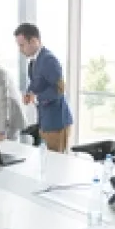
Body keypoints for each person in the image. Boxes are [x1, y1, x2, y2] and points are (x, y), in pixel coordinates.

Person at [14, 23, 72, 152]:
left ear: (34, 41)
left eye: (22, 45)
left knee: (56, 164)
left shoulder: (48, 59)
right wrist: (29, 93)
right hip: (45, 121)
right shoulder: (35, 61)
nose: (20, 49)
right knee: (47, 163)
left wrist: (37, 97)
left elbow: (59, 89)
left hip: (56, 122)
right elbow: (37, 82)